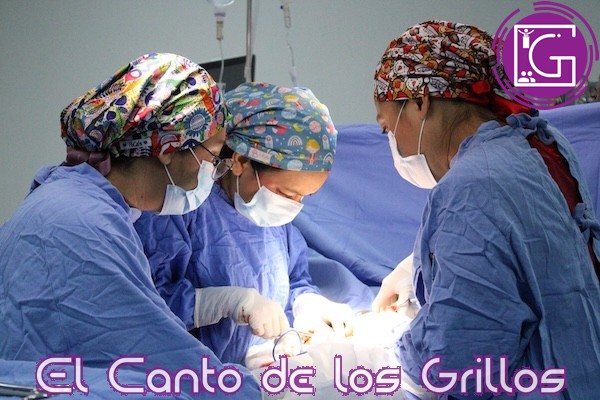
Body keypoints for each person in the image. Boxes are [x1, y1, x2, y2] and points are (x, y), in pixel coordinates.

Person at [0, 53, 262, 398]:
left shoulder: (72, 197)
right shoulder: (86, 222)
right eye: (213, 156)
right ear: (169, 146)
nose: (214, 172)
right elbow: (155, 358)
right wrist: (247, 388)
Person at [372, 20, 600, 398]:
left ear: (419, 102)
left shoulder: (472, 185)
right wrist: (420, 267)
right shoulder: (541, 143)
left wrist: (390, 351)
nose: (392, 142)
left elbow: (458, 363)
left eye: (386, 128)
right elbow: (540, 248)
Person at [134, 82, 354, 366]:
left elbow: (296, 278)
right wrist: (223, 302)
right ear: (240, 161)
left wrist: (307, 303)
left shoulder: (271, 217)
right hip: (193, 374)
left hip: (263, 370)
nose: (293, 205)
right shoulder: (180, 206)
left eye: (304, 197)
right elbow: (145, 303)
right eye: (288, 194)